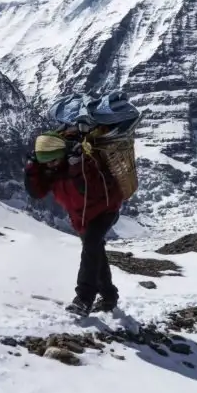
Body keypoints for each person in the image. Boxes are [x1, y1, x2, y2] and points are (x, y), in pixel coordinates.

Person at [24, 130, 123, 317]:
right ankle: (109, 296)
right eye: (45, 163)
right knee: (95, 251)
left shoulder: (84, 160)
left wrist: (76, 166)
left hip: (106, 209)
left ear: (61, 154)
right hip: (82, 217)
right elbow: (37, 193)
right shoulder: (50, 169)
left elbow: (90, 190)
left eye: (53, 161)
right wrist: (31, 169)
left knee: (92, 246)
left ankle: (84, 299)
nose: (50, 166)